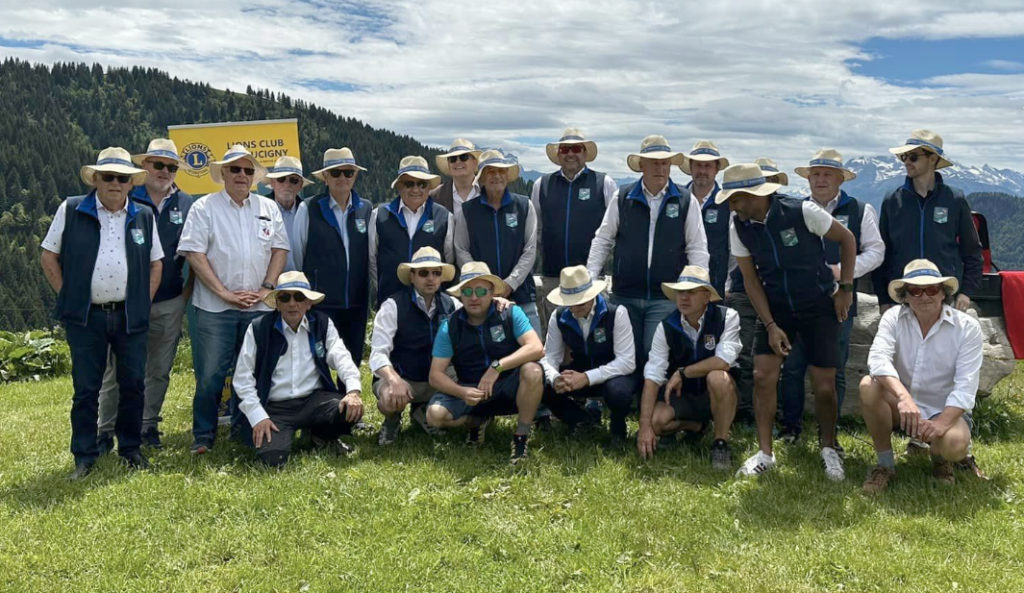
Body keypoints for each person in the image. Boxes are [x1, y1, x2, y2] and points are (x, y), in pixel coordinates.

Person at [721, 163, 857, 480]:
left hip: (819, 305)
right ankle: (765, 453)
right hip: (776, 307)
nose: (730, 205)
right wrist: (769, 324)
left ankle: (828, 448)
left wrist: (846, 289)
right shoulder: (737, 226)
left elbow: (847, 240)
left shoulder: (803, 212)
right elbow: (751, 281)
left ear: (752, 195)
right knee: (762, 375)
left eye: (734, 198)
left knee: (824, 385)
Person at [40, 147, 162, 479]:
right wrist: (68, 294)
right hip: (85, 316)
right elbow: (48, 257)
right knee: (86, 389)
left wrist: (144, 302)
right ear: (95, 179)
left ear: (130, 184)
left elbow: (156, 264)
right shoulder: (71, 209)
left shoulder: (144, 215)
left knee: (133, 385)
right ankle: (84, 455)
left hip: (129, 315)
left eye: (122, 178)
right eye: (108, 176)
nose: (115, 183)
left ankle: (131, 449)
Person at [177, 144, 289, 454]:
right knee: (211, 374)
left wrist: (267, 288)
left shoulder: (268, 209)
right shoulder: (204, 208)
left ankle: (244, 430)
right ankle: (203, 435)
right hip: (215, 308)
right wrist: (223, 293)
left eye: (248, 170)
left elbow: (280, 249)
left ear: (254, 177)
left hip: (256, 307)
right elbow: (194, 254)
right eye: (235, 169)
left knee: (251, 374)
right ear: (223, 173)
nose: (242, 175)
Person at [778, 149, 884, 443]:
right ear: (808, 179)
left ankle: (830, 432)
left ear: (840, 179)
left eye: (827, 174)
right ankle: (791, 429)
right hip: (800, 301)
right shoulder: (796, 209)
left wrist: (843, 272)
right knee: (793, 366)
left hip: (841, 300)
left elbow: (876, 251)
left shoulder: (860, 210)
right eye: (816, 175)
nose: (821, 180)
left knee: (835, 369)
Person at [96, 139, 194, 452]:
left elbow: (194, 253)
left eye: (171, 167)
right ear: (144, 167)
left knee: (159, 370)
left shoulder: (187, 204)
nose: (165, 171)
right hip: (127, 303)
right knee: (117, 371)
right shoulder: (126, 195)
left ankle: (147, 425)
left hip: (169, 300)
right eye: (158, 164)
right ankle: (104, 430)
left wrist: (185, 296)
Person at [586, 134, 709, 373]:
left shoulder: (685, 200)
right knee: (626, 351)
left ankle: (650, 402)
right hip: (625, 292)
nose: (660, 167)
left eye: (664, 162)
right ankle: (630, 399)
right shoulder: (622, 197)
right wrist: (591, 279)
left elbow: (697, 247)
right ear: (641, 165)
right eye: (653, 162)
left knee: (656, 353)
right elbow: (603, 239)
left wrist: (698, 286)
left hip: (665, 295)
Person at [860, 260, 982, 493]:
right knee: (868, 385)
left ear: (943, 293)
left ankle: (941, 459)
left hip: (945, 409)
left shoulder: (967, 328)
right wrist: (903, 398)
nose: (924, 296)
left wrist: (940, 424)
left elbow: (966, 387)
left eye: (931, 289)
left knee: (954, 445)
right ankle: (884, 465)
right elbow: (877, 359)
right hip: (902, 408)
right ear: (905, 296)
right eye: (915, 290)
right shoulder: (892, 318)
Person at [232, 272, 364, 467]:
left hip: (313, 400)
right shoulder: (259, 328)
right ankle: (287, 437)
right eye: (285, 297)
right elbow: (242, 379)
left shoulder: (322, 323)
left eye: (299, 297)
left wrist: (353, 391)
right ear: (277, 303)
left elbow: (341, 357)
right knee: (273, 460)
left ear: (308, 303)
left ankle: (320, 436)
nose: (292, 303)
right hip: (275, 407)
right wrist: (258, 417)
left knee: (349, 409)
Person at [425, 262, 545, 463]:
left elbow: (536, 348)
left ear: (492, 293)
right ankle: (476, 420)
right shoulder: (450, 326)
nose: (474, 297)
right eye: (468, 291)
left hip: (508, 384)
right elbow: (435, 375)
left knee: (533, 371)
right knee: (434, 416)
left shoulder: (510, 313)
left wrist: (497, 367)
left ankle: (521, 437)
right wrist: (462, 392)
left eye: (481, 291)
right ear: (460, 295)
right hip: (471, 389)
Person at [636, 266, 741, 470]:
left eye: (691, 292)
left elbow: (723, 361)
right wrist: (644, 426)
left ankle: (720, 443)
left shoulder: (728, 317)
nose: (684, 298)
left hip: (720, 393)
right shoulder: (666, 326)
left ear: (706, 296)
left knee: (718, 377)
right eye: (680, 292)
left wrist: (683, 372)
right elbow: (653, 375)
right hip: (683, 395)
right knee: (656, 422)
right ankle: (698, 426)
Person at [875, 130, 983, 313]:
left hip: (945, 295)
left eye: (913, 156)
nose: (907, 162)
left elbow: (972, 251)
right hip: (902, 295)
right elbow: (881, 254)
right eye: (904, 157)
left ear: (932, 159)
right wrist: (883, 299)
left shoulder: (955, 200)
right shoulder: (892, 201)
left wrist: (966, 292)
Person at [531, 129, 619, 334]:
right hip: (553, 276)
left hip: (592, 279)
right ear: (559, 154)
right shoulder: (541, 185)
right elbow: (536, 228)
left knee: (593, 331)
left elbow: (614, 228)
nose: (570, 153)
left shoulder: (603, 183)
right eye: (565, 149)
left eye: (576, 148)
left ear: (585, 153)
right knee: (555, 332)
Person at [291, 147, 373, 366]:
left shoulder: (366, 209)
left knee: (352, 360)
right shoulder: (308, 208)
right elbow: (298, 257)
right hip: (320, 303)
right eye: (335, 173)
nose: (343, 178)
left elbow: (371, 257)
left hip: (356, 301)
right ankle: (325, 401)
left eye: (348, 172)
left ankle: (349, 399)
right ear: (325, 177)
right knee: (318, 361)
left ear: (355, 176)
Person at [369, 247, 457, 445]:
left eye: (436, 273)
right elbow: (377, 354)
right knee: (390, 398)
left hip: (438, 378)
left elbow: (480, 308)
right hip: (404, 378)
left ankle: (423, 411)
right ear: (412, 276)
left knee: (470, 384)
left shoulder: (452, 304)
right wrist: (394, 379)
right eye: (424, 273)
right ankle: (392, 420)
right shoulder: (393, 305)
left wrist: (499, 301)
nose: (431, 278)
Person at [724, 158, 788, 424]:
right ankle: (748, 410)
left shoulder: (787, 215)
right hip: (744, 290)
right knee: (747, 355)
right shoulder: (740, 221)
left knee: (783, 359)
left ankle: (779, 412)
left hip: (779, 294)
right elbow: (737, 260)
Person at [540, 266, 635, 443]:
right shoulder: (557, 316)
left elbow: (627, 362)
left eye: (580, 302)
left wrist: (586, 377)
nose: (575, 308)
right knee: (540, 381)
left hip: (610, 375)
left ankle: (618, 428)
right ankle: (579, 420)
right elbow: (550, 357)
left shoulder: (617, 313)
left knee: (619, 391)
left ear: (592, 295)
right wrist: (555, 378)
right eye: (569, 302)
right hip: (575, 373)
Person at [454, 150, 542, 333]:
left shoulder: (524, 206)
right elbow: (461, 249)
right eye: (490, 172)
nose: (496, 176)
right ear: (482, 178)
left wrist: (510, 283)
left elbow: (530, 249)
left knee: (534, 354)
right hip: (481, 298)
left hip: (522, 295)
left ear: (507, 176)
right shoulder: (468, 210)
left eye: (501, 171)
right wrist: (482, 282)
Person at [368, 156, 454, 306]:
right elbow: (372, 260)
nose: (416, 189)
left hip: (432, 304)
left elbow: (449, 258)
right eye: (409, 184)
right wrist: (383, 283)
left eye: (422, 184)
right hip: (389, 300)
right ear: (400, 186)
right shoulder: (379, 215)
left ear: (429, 187)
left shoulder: (445, 217)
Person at [679, 140, 730, 295]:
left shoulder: (727, 203)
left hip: (715, 285)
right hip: (676, 284)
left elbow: (733, 250)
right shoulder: (677, 200)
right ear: (691, 167)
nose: (702, 170)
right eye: (698, 165)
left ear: (716, 169)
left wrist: (728, 285)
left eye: (707, 166)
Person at [265, 155, 313, 272]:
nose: (287, 184)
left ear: (300, 185)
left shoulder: (311, 212)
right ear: (272, 183)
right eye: (281, 179)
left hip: (303, 283)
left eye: (293, 180)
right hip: (268, 284)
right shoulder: (258, 210)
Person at [430, 138, 481, 219]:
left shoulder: (489, 192)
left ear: (474, 162)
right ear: (449, 165)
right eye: (453, 159)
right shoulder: (435, 196)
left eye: (463, 157)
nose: (458, 162)